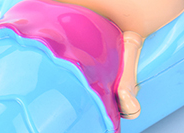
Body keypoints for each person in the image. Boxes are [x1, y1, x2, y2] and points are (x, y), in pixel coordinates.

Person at [56, 0, 184, 118]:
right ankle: (125, 85)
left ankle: (125, 84)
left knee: (133, 32)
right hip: (140, 18)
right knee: (133, 34)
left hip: (135, 19)